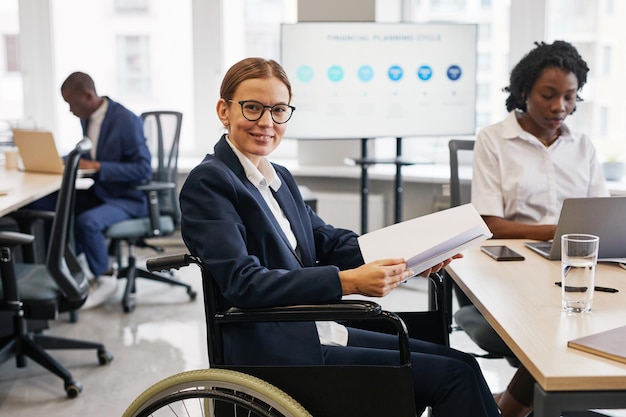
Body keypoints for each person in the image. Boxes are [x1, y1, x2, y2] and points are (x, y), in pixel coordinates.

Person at [179, 57, 501, 417]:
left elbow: (328, 242)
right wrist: (347, 282)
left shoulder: (277, 177)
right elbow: (243, 283)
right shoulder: (211, 183)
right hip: (277, 348)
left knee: (463, 364)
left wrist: (411, 260)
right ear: (224, 110)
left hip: (315, 329)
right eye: (253, 108)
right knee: (454, 376)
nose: (267, 123)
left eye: (278, 110)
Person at [465, 40, 609, 417]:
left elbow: (602, 216)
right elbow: (489, 224)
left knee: (599, 315)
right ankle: (514, 409)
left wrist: (576, 237)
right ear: (524, 90)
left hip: (575, 265)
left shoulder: (583, 145)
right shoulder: (494, 139)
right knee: (553, 323)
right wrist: (560, 232)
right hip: (511, 267)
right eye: (548, 95)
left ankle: (509, 408)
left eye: (569, 97)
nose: (560, 107)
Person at [31, 72, 153, 309]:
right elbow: (91, 153)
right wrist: (63, 159)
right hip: (102, 192)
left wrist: (97, 166)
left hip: (129, 198)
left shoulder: (126, 120)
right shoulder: (87, 118)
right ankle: (63, 270)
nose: (70, 111)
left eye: (72, 104)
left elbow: (143, 169)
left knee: (87, 222)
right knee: (46, 204)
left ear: (88, 96)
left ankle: (105, 277)